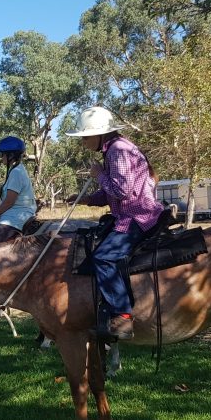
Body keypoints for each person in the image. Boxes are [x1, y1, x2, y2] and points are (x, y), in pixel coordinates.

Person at [66, 106, 164, 341]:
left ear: (100, 134)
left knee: (104, 257)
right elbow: (112, 194)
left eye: (85, 137)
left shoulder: (118, 150)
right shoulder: (116, 149)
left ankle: (123, 316)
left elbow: (122, 191)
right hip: (128, 215)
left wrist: (98, 174)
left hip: (138, 217)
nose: (83, 142)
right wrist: (90, 199)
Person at [0, 136, 37, 247]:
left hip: (15, 218)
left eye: (2, 154)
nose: (1, 157)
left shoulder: (16, 173)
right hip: (14, 214)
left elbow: (9, 202)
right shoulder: (16, 170)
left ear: (11, 155)